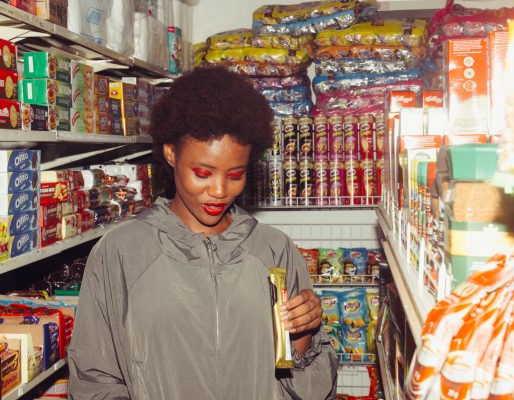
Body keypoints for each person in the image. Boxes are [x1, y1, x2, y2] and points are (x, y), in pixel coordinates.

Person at [67, 67, 338, 399]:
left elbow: (309, 390)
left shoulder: (273, 249)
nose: (220, 191)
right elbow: (94, 380)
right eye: (202, 173)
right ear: (171, 154)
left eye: (235, 175)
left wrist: (303, 337)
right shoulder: (122, 251)